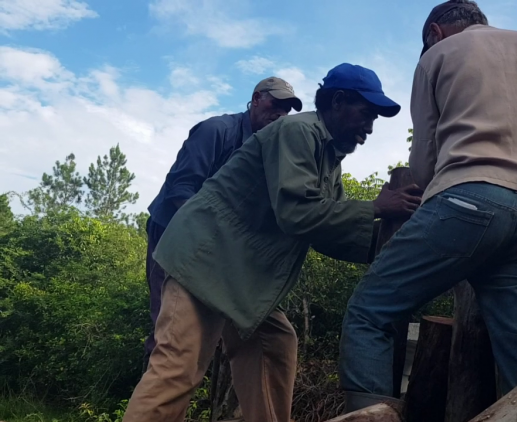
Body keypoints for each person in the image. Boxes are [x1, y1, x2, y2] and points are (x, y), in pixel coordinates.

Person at [337, 0, 517, 412]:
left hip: (466, 202)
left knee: (371, 311)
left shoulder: (436, 57)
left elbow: (423, 162)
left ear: (434, 34)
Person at [123, 63, 422, 422]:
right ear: (338, 101)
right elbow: (298, 214)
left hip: (241, 277)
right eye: (366, 113)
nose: (370, 128)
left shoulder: (327, 159)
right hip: (204, 262)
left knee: (274, 347)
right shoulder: (297, 131)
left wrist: (390, 243)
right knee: (177, 369)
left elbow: (327, 227)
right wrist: (375, 207)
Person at [141, 76, 302, 420]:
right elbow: (180, 188)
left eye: (287, 109)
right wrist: (206, 243)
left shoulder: (270, 150)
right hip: (174, 236)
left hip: (223, 250)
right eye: (276, 103)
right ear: (256, 99)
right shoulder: (217, 131)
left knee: (267, 333)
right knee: (172, 338)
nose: (281, 113)